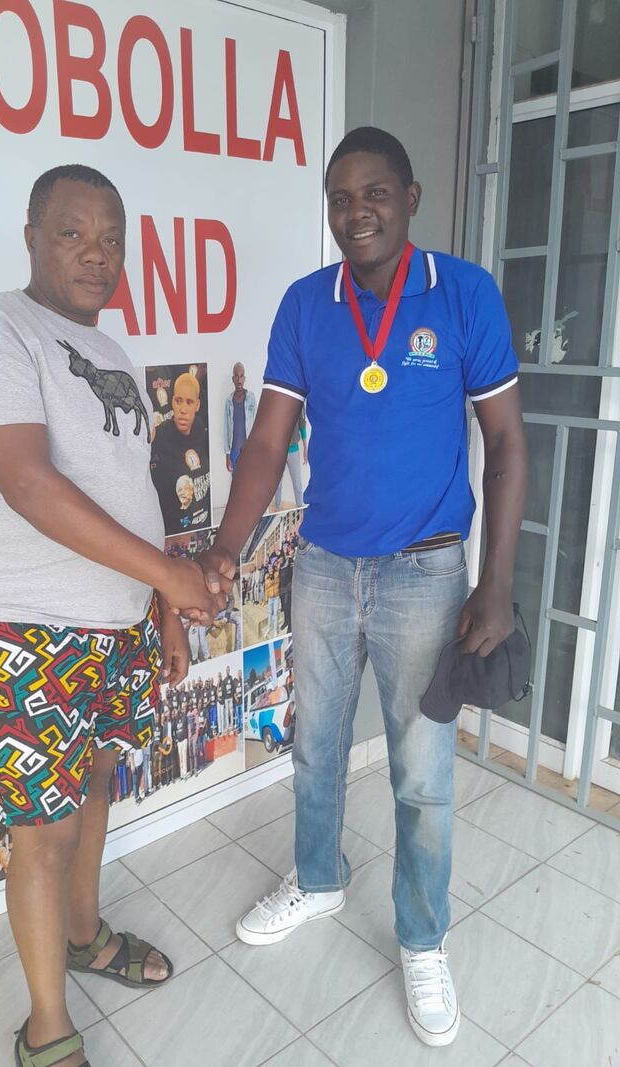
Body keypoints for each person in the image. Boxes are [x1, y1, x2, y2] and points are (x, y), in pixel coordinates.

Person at [197, 127, 527, 1048]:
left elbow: (506, 440)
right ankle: (319, 877)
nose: (357, 212)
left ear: (410, 198)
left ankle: (422, 937)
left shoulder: (463, 294)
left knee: (421, 774)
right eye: (341, 198)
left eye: (375, 192)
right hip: (326, 569)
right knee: (316, 745)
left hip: (428, 570)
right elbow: (268, 441)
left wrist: (496, 581)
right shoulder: (308, 305)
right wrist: (224, 550)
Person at [0, 164, 222, 1067]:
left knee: (95, 787)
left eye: (111, 239)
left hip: (117, 624)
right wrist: (172, 580)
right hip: (25, 627)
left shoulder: (116, 355)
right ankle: (46, 1027)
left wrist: (161, 602)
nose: (96, 254)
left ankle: (84, 935)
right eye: (73, 234)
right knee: (44, 828)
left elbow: (135, 492)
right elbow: (28, 484)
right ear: (32, 237)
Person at [150, 372, 211, 535]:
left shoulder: (202, 431)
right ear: (172, 402)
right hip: (171, 534)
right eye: (178, 401)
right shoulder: (159, 436)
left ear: (197, 405)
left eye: (189, 402)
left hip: (203, 527)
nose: (183, 409)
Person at [223, 362, 258, 472]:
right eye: (236, 376)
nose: (239, 380)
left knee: (250, 480)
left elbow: (257, 424)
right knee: (235, 481)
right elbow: (226, 429)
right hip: (234, 452)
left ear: (244, 379)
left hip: (249, 451)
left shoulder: (251, 398)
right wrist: (227, 455)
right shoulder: (229, 401)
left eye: (241, 376)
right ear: (233, 379)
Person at [273, 407, 308, 510]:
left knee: (297, 484)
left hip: (294, 449)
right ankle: (277, 508)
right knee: (277, 484)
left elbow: (302, 424)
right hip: (278, 450)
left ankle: (300, 510)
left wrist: (305, 448)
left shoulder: (299, 403)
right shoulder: (277, 401)